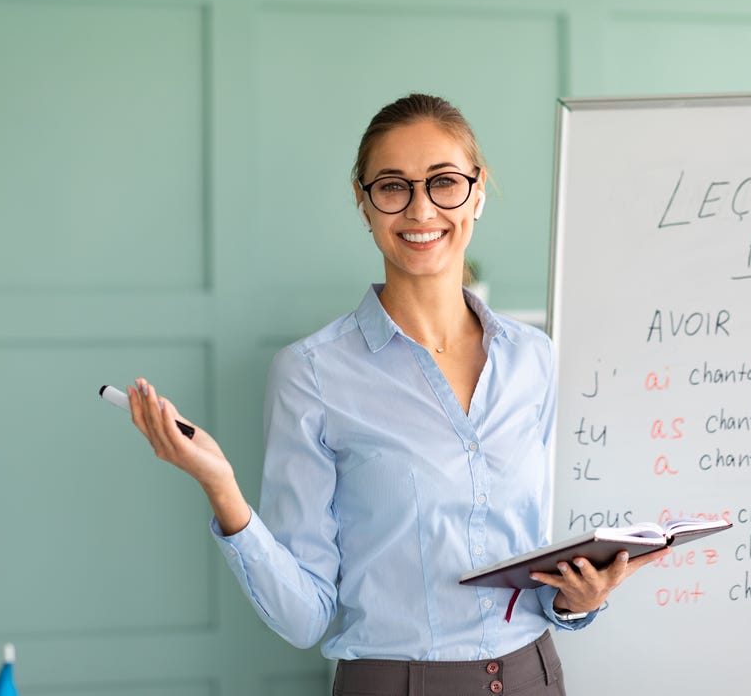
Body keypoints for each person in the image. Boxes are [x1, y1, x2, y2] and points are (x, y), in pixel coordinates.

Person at [125, 93, 664, 695]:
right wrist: (222, 488)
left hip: (534, 674)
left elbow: (532, 565)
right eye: (392, 186)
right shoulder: (311, 374)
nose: (420, 208)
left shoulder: (532, 358)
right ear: (363, 200)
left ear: (478, 191)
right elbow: (304, 617)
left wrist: (576, 602)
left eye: (444, 182)